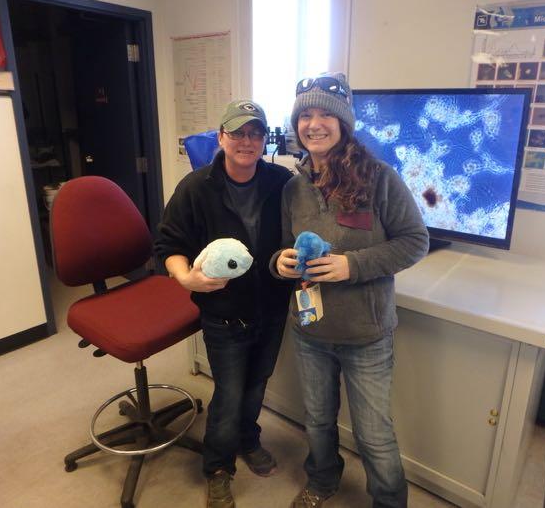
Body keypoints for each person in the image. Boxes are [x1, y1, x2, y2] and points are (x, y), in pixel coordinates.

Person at [271, 73, 429, 508]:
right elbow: (283, 245)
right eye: (305, 114)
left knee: (374, 435)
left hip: (366, 334)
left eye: (325, 114)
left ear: (343, 123)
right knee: (318, 422)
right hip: (310, 328)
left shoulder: (379, 178)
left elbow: (415, 241)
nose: (314, 123)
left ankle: (389, 502)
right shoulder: (292, 187)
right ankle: (322, 482)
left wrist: (350, 266)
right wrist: (280, 261)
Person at [156, 99, 294, 508]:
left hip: (271, 307)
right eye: (237, 133)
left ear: (264, 139)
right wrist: (186, 278)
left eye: (255, 133)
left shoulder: (280, 182)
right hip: (224, 313)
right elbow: (169, 243)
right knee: (230, 395)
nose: (246, 141)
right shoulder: (196, 187)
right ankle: (217, 467)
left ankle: (248, 441)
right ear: (221, 138)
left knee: (256, 386)